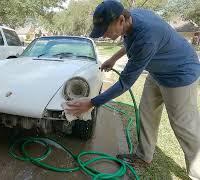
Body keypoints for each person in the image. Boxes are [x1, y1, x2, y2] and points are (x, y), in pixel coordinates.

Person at [64, 1, 200, 179]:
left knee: (184, 125)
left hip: (180, 74)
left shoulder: (147, 36)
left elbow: (125, 83)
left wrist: (91, 103)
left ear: (121, 20)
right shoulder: (131, 19)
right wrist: (113, 58)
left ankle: (196, 172)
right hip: (157, 72)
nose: (105, 34)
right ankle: (144, 157)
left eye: (106, 29)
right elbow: (130, 41)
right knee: (147, 113)